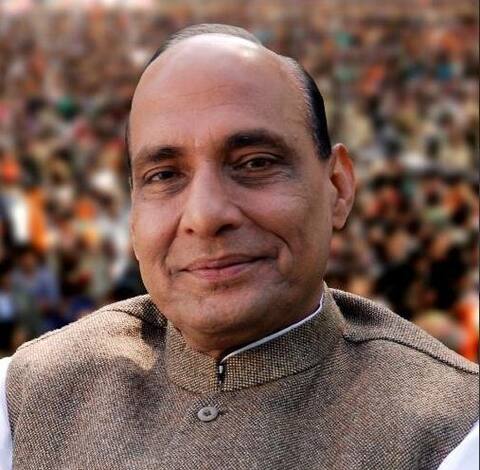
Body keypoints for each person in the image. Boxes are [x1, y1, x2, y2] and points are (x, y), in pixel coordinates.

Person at [0, 24, 478, 470]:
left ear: (337, 187)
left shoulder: (451, 432)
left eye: (255, 163)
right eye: (164, 175)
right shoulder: (25, 397)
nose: (206, 216)